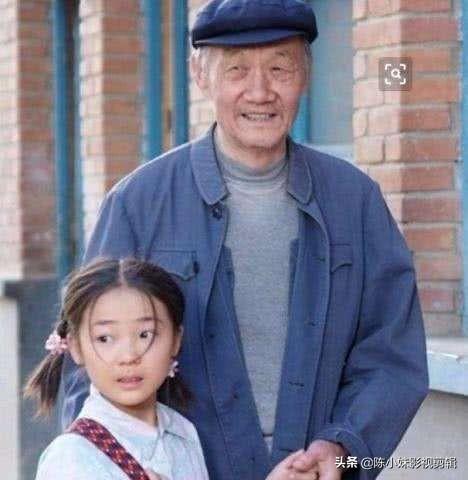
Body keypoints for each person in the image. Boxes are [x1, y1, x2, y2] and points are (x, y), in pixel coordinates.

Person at [61, 1, 429, 479]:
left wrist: (343, 446)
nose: (260, 92)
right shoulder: (139, 204)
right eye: (237, 69)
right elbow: (86, 369)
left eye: (280, 67)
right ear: (200, 75)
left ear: (305, 74)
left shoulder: (355, 202)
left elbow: (391, 353)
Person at [24, 258, 209, 480]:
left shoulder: (183, 433)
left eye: (145, 335)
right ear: (76, 347)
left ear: (176, 340)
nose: (128, 357)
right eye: (105, 338)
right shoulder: (71, 458)